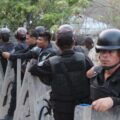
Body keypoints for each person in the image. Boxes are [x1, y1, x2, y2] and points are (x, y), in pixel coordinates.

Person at [29, 24, 93, 120]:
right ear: (73, 42)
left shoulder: (51, 62)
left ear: (57, 44)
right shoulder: (84, 58)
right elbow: (94, 75)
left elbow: (33, 69)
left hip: (61, 108)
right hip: (82, 106)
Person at [89, 29, 120, 112]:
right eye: (102, 51)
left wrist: (114, 101)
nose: (104, 56)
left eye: (110, 52)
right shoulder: (97, 71)